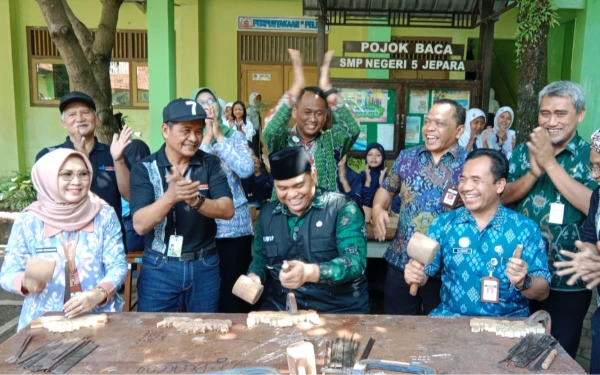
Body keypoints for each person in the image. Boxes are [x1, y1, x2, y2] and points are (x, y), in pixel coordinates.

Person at [501, 80, 598, 358]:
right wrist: (533, 172)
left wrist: (550, 164)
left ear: (580, 115)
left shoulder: (589, 157)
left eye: (561, 113)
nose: (551, 121)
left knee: (558, 355)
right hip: (521, 275)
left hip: (568, 280)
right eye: (545, 113)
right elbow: (501, 195)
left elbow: (594, 204)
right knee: (513, 351)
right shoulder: (523, 151)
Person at [405, 149, 551, 317]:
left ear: (500, 185)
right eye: (463, 179)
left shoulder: (525, 229)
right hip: (451, 320)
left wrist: (523, 281)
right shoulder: (444, 223)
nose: (466, 187)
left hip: (507, 324)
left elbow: (543, 292)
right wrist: (416, 274)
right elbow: (424, 273)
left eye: (476, 180)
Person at [0, 149, 127, 331]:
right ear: (48, 178)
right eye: (66, 174)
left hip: (99, 318)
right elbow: (7, 273)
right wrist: (25, 282)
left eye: (83, 174)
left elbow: (118, 265)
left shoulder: (104, 215)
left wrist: (98, 294)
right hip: (43, 322)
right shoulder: (29, 221)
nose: (76, 182)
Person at [129, 98, 234, 313]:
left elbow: (227, 209)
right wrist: (171, 196)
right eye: (186, 130)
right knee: (154, 335)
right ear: (165, 130)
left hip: (204, 264)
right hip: (159, 266)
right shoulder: (144, 168)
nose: (194, 138)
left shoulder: (210, 164)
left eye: (198, 130)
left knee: (204, 335)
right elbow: (140, 225)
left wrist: (196, 200)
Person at [372, 99, 468, 316]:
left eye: (440, 123)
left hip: (447, 267)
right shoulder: (407, 157)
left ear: (459, 130)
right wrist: (378, 208)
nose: (430, 128)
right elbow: (387, 190)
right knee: (398, 329)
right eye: (427, 122)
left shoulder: (469, 163)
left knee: (441, 334)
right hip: (401, 260)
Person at [246, 147, 369, 313]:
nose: (291, 195)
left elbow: (355, 262)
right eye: (283, 188)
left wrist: (309, 272)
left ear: (313, 176)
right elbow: (260, 259)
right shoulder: (267, 215)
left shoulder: (343, 208)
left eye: (298, 185)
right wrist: (254, 277)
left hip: (339, 308)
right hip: (283, 306)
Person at [191, 87, 255, 313]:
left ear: (219, 106)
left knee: (234, 288)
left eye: (211, 101)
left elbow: (246, 169)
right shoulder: (190, 140)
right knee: (208, 290)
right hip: (201, 227)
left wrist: (219, 136)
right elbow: (194, 173)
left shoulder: (234, 136)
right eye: (201, 102)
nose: (207, 105)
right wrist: (206, 138)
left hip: (234, 228)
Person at [263, 49, 360, 193]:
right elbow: (269, 131)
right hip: (287, 213)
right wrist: (296, 88)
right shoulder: (282, 141)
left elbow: (353, 128)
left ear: (326, 115)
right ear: (294, 111)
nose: (313, 119)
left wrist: (328, 90)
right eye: (307, 112)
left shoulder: (332, 141)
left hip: (325, 213)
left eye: (319, 113)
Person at [36, 91, 132, 226]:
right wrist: (82, 158)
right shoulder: (49, 156)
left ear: (97, 119)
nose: (80, 118)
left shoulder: (113, 153)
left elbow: (129, 196)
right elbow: (48, 199)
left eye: (85, 112)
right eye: (72, 114)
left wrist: (118, 160)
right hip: (65, 234)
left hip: (109, 236)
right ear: (64, 123)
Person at [555, 129, 600, 375]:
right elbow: (591, 236)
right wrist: (589, 255)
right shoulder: (599, 196)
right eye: (593, 167)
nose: (596, 176)